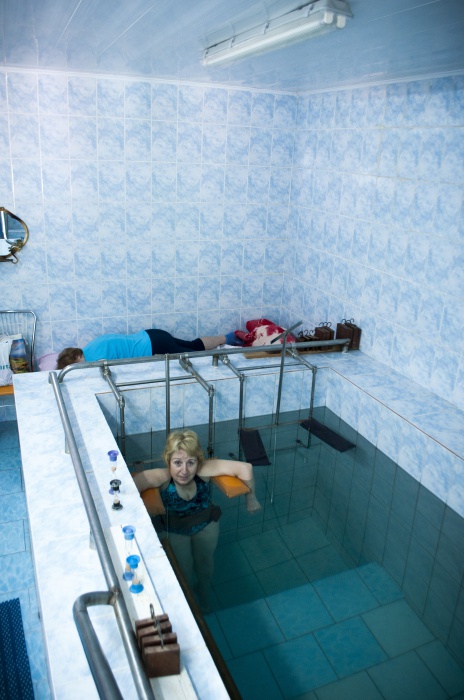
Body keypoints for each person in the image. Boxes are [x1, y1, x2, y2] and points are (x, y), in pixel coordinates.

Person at [133, 429, 261, 611]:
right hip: (175, 530)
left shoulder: (203, 471)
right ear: (168, 460)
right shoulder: (162, 477)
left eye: (190, 463)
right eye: (177, 463)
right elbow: (131, 486)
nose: (184, 471)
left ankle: (203, 591)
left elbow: (245, 468)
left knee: (205, 564)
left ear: (198, 461)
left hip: (206, 524)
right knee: (183, 570)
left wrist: (251, 497)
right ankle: (188, 601)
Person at [56, 328, 243, 369]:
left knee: (196, 355)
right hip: (152, 334)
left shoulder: (94, 361)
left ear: (76, 359)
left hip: (155, 346)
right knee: (192, 344)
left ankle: (235, 354)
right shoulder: (91, 345)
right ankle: (229, 337)